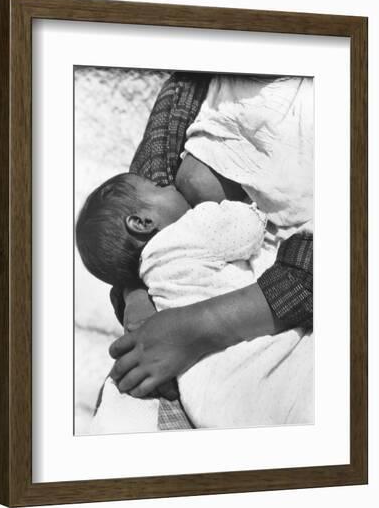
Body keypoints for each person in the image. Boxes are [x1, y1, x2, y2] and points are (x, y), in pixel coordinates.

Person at [107, 72, 313, 416]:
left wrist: (198, 327)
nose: (168, 186)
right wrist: (136, 297)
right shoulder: (190, 85)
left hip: (278, 319)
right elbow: (141, 191)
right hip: (197, 361)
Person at [76, 171, 312, 433]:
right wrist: (259, 205)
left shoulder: (150, 276)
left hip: (211, 403)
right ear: (141, 222)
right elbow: (247, 226)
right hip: (266, 357)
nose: (169, 183)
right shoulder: (189, 230)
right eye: (158, 185)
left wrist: (134, 293)